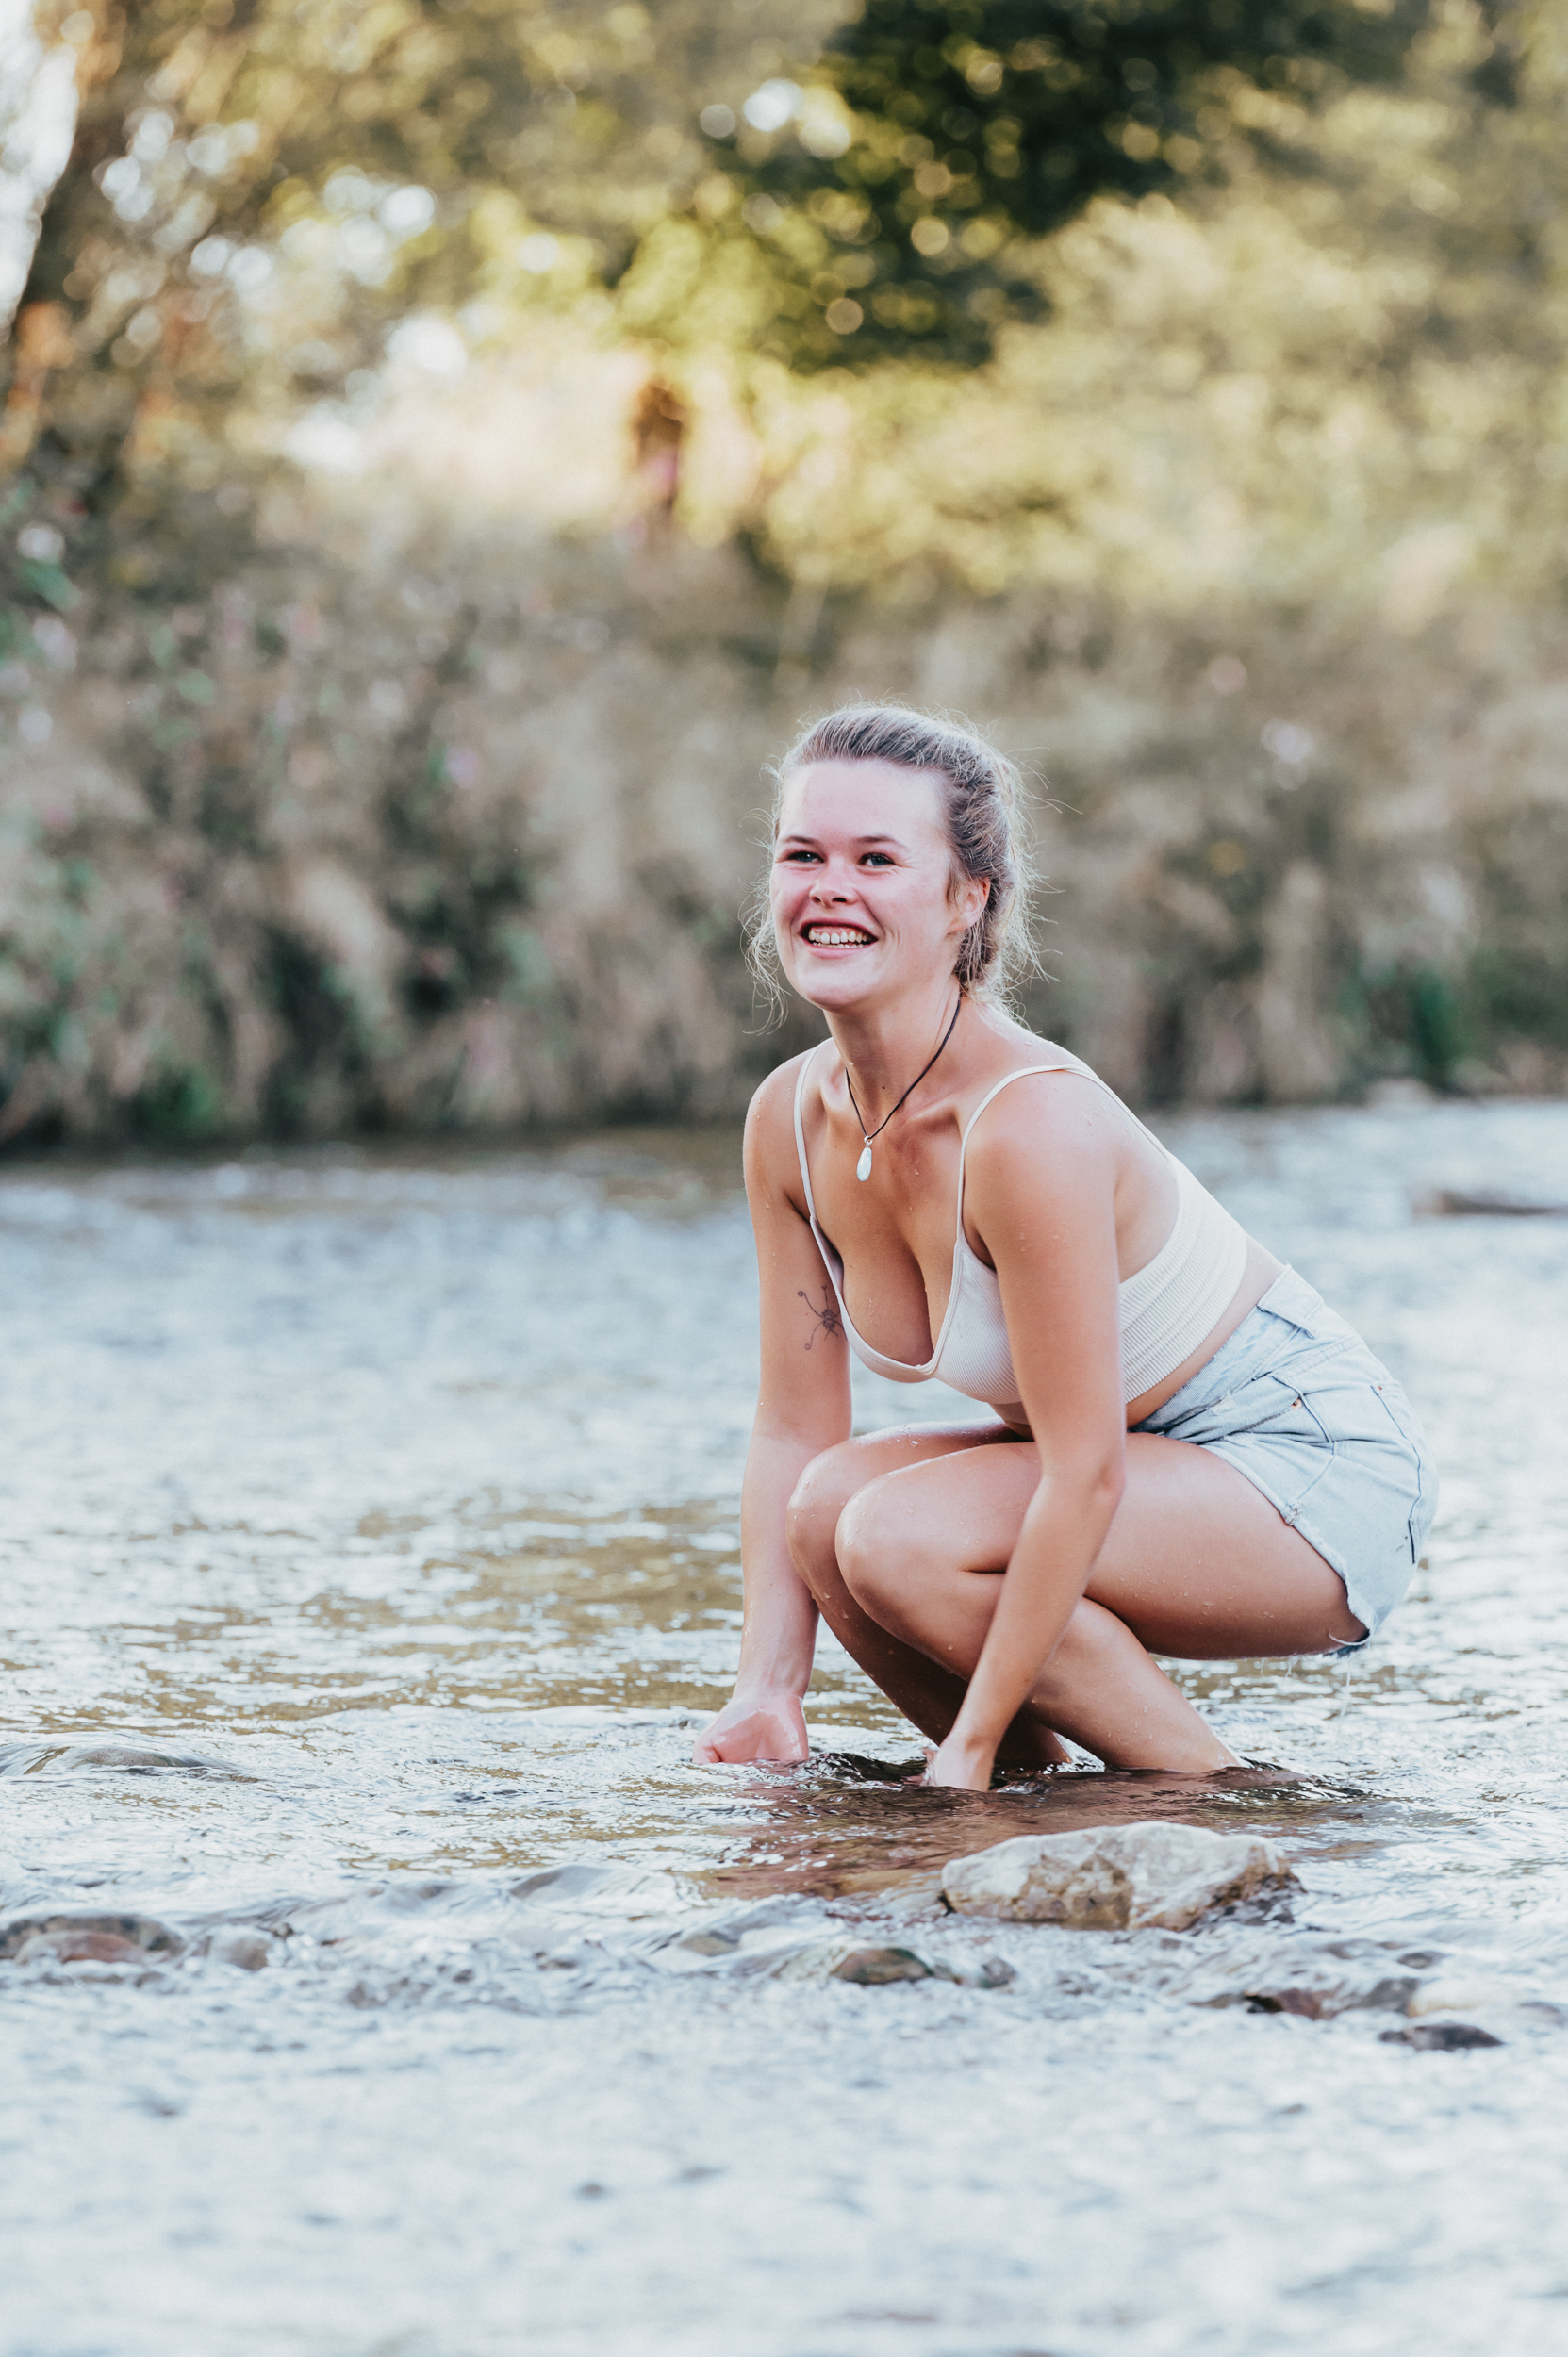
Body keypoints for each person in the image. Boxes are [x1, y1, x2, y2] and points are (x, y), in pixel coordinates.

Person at [694, 704, 1436, 1790]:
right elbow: (795, 1429)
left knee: (897, 1536)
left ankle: (1229, 1804)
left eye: (876, 859)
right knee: (828, 1515)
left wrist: (969, 1749)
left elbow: (1081, 1473)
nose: (829, 888)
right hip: (1140, 1465)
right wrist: (768, 1689)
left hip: (1307, 1468)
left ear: (966, 899)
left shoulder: (1027, 1125)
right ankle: (1045, 1810)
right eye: (802, 854)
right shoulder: (787, 1122)